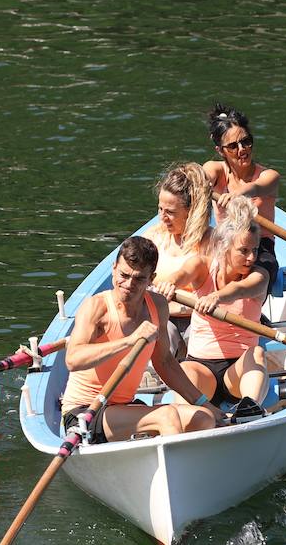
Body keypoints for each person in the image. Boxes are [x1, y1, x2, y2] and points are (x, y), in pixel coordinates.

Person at [61, 236, 218, 444]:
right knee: (167, 416)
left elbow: (164, 362)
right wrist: (129, 341)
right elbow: (73, 359)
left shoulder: (158, 306)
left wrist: (204, 403)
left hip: (124, 408)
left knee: (203, 419)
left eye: (139, 279)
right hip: (85, 412)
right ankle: (179, 466)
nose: (128, 284)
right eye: (123, 275)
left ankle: (171, 462)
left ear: (151, 278)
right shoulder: (96, 307)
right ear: (114, 267)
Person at [175, 196, 271, 422]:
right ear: (224, 247)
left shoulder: (259, 276)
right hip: (200, 367)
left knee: (257, 353)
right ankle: (182, 419)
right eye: (244, 250)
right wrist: (169, 284)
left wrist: (217, 296)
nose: (251, 258)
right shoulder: (202, 266)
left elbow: (241, 289)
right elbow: (181, 275)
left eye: (255, 250)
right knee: (185, 370)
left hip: (236, 372)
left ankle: (250, 411)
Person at [202, 102, 281, 289]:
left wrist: (237, 194)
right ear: (220, 151)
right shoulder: (215, 170)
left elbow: (256, 188)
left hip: (259, 246)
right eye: (233, 146)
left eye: (246, 141)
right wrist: (200, 183)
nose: (242, 149)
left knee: (256, 275)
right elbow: (204, 176)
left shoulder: (269, 176)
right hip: (225, 243)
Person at [144, 162, 213, 359]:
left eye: (170, 212)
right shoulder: (152, 239)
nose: (162, 217)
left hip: (203, 319)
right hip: (163, 319)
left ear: (190, 211)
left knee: (197, 338)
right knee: (161, 333)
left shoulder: (211, 243)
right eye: (160, 209)